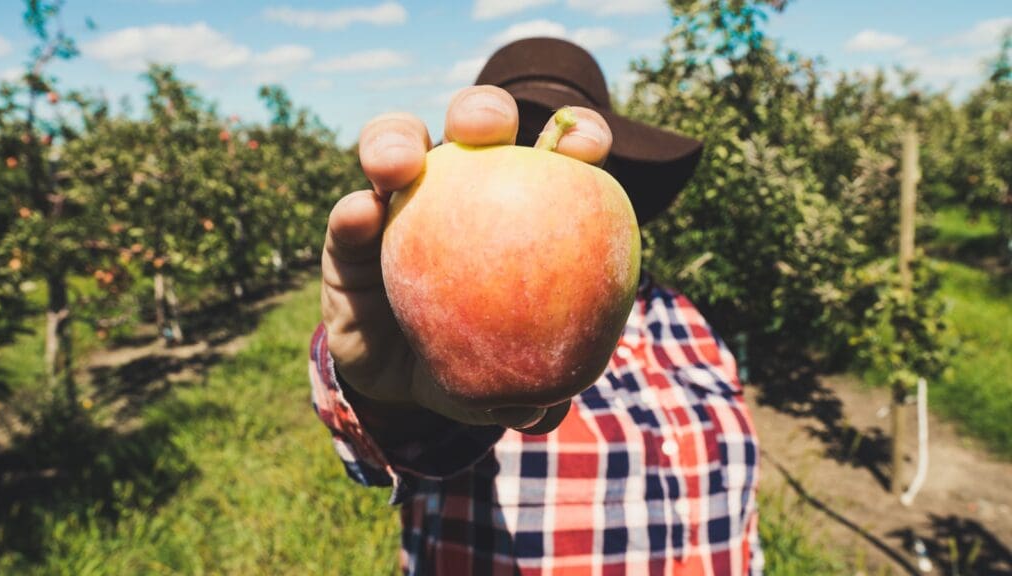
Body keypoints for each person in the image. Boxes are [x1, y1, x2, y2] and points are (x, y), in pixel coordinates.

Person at [311, 38, 762, 575]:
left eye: (545, 144)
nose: (535, 160)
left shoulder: (685, 320)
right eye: (519, 143)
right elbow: (413, 445)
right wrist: (387, 397)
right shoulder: (445, 348)